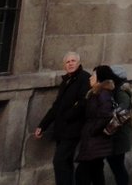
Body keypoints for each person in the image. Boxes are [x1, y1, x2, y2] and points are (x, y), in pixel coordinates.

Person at [34, 51, 91, 185]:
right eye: (67, 62)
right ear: (64, 65)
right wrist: (42, 126)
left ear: (79, 63)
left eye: (73, 61)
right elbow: (56, 106)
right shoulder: (66, 81)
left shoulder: (84, 78)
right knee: (65, 162)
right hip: (62, 129)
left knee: (59, 161)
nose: (70, 64)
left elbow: (83, 102)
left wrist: (67, 116)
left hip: (73, 129)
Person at [74, 65, 120, 185]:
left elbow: (105, 116)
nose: (90, 78)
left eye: (93, 75)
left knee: (81, 174)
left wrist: (92, 130)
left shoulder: (103, 93)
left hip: (95, 142)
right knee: (96, 173)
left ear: (99, 78)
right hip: (95, 142)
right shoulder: (96, 93)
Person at [105, 67, 132, 185]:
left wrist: (108, 120)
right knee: (116, 166)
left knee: (118, 167)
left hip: (119, 137)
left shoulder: (121, 91)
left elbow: (122, 111)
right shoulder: (116, 90)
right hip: (116, 136)